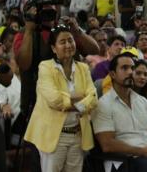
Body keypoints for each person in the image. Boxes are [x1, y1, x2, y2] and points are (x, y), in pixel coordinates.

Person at [24, 25, 98, 171]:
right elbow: (54, 100)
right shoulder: (45, 67)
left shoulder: (83, 68)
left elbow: (94, 98)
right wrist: (80, 98)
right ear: (53, 48)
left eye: (70, 40)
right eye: (62, 42)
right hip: (54, 136)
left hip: (78, 134)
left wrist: (76, 103)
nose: (68, 45)